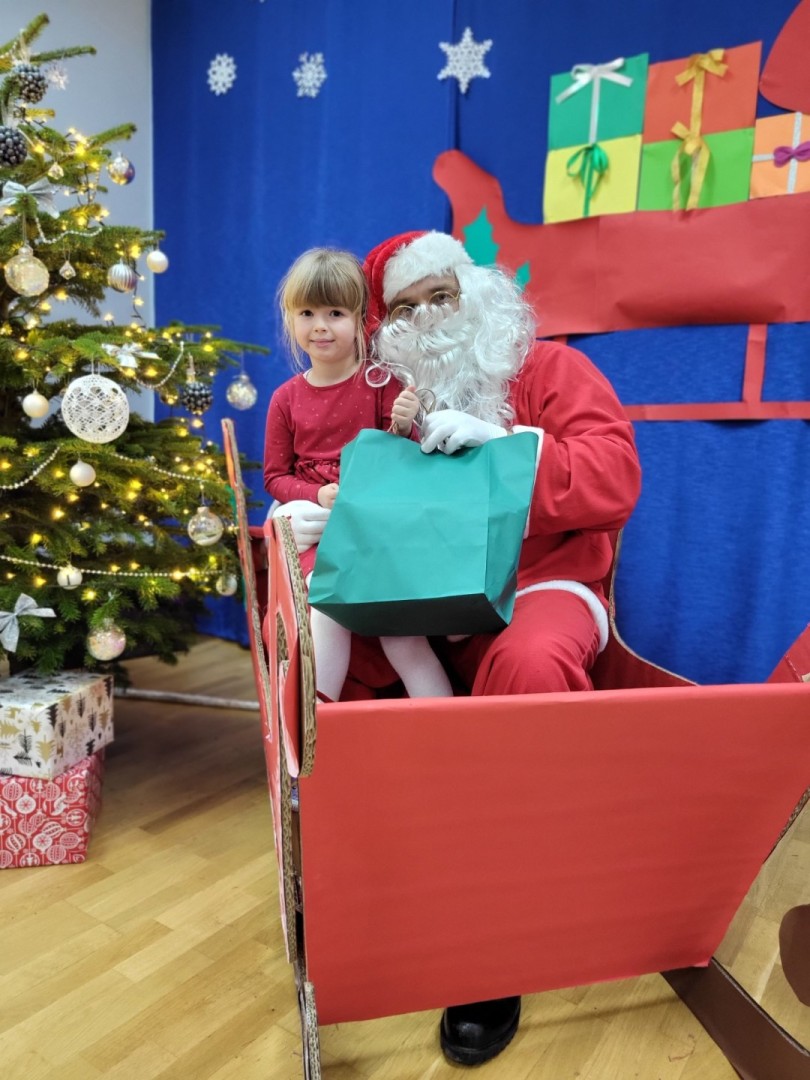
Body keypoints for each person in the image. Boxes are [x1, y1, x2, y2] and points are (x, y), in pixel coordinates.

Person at [272, 232, 641, 1065]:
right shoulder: (388, 402)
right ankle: (358, 875)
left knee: (529, 666)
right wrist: (330, 514)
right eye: (405, 309)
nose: (428, 318)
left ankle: (495, 940)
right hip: (430, 602)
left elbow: (615, 475)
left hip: (542, 584)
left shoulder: (550, 370)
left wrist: (507, 450)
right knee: (335, 658)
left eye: (441, 296)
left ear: (476, 292)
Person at [263, 247, 453, 704]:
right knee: (326, 601)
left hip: (378, 531)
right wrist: (316, 494)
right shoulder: (286, 399)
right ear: (290, 319)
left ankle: (449, 729)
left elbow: (405, 461)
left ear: (360, 318)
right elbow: (275, 477)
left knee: (404, 639)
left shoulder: (380, 382)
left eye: (335, 313)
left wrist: (404, 426)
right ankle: (321, 723)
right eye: (307, 313)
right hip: (321, 531)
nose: (320, 326)